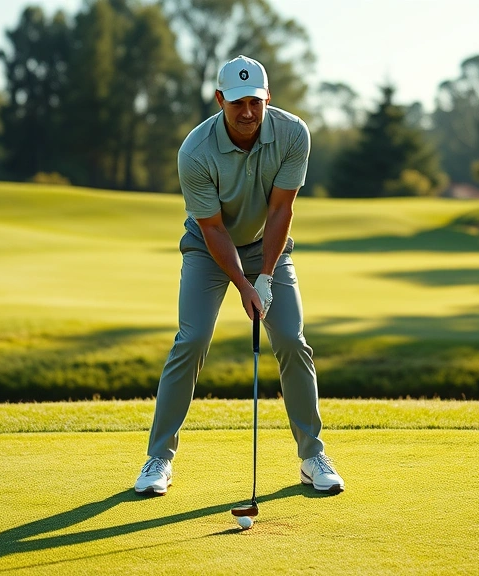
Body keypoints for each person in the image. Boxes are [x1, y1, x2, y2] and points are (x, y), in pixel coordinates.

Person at [134, 55, 344, 496]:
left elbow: (282, 208)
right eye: (237, 104)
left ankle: (312, 456)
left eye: (255, 102)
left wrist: (265, 276)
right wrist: (244, 284)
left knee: (291, 338)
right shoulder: (195, 151)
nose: (247, 113)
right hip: (209, 249)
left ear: (268, 98)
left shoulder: (292, 133)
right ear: (219, 100)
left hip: (268, 245)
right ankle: (158, 459)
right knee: (190, 340)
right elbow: (211, 228)